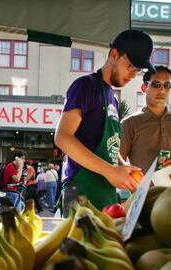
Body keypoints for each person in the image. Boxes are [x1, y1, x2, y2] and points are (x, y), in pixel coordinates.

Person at [55, 29, 155, 216]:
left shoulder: (113, 100)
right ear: (114, 55)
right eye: (131, 66)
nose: (133, 74)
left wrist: (124, 169)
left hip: (106, 194)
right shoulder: (85, 86)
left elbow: (111, 148)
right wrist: (110, 171)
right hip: (82, 193)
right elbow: (62, 137)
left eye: (138, 70)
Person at [120, 66, 171, 173]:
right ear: (144, 87)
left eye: (167, 85)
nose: (162, 90)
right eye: (156, 84)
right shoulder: (129, 123)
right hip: (142, 189)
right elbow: (117, 162)